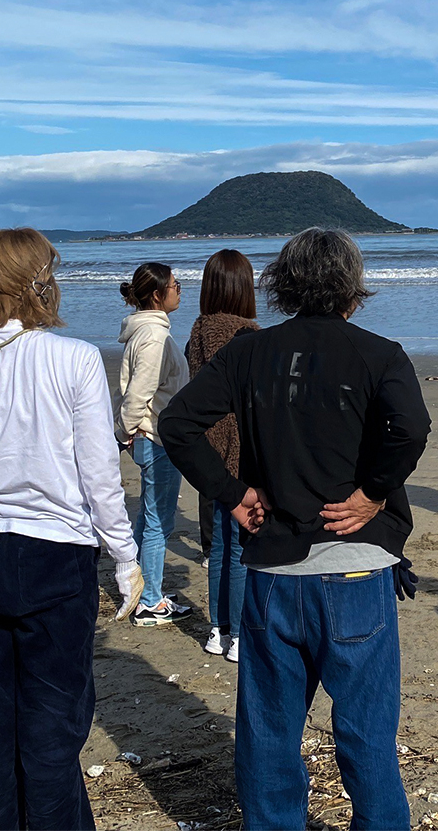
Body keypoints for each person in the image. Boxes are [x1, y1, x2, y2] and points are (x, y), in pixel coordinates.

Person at [159, 228, 431, 831]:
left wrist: (231, 495)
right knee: (364, 731)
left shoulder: (251, 352)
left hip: (277, 572)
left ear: (286, 284)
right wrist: (372, 493)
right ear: (351, 288)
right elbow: (411, 429)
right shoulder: (378, 352)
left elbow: (177, 423)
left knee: (269, 732)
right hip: (355, 571)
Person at [0, 229, 143, 830]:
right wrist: (125, 555)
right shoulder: (74, 359)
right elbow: (98, 471)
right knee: (52, 728)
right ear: (47, 281)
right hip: (53, 555)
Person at [185, 249, 260, 663]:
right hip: (238, 447)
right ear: (244, 288)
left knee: (219, 546)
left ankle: (219, 629)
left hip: (208, 446)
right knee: (240, 544)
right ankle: (237, 633)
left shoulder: (197, 331)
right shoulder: (245, 335)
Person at [117, 261, 191, 625]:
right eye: (176, 285)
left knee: (149, 516)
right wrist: (125, 432)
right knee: (158, 521)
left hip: (152, 435)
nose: (180, 290)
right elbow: (138, 394)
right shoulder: (154, 337)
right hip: (156, 436)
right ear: (158, 294)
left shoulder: (149, 332)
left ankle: (138, 585)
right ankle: (149, 600)